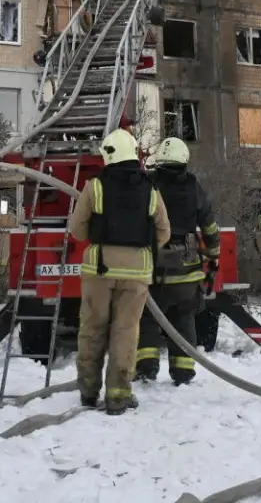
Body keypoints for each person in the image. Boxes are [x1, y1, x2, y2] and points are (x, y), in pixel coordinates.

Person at [67, 128, 171, 415]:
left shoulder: (94, 187)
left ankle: (88, 392)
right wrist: (140, 250)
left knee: (92, 329)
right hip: (137, 274)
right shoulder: (151, 189)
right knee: (126, 332)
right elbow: (164, 231)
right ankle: (118, 396)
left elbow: (77, 230)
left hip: (98, 269)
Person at [136, 137, 222, 385]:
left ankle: (146, 369)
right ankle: (183, 372)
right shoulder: (194, 187)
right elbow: (208, 225)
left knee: (148, 318)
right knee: (183, 319)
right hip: (186, 271)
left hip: (154, 270)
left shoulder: (147, 185)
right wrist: (214, 256)